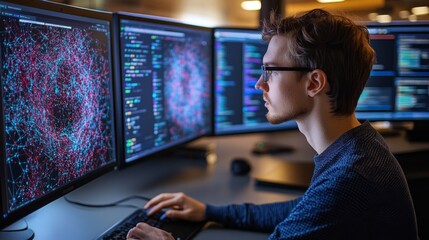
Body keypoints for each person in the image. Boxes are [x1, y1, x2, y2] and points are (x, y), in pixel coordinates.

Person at [127, 8, 419, 240]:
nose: (258, 84)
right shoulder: (359, 146)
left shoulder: (350, 179)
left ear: (314, 82)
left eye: (270, 71)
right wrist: (209, 211)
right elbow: (302, 211)